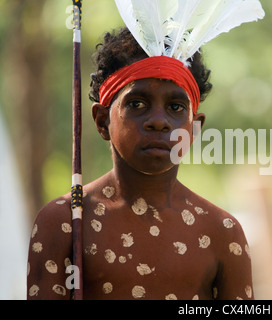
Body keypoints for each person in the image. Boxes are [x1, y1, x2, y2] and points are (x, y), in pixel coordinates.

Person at [26, 27, 253, 300]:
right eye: (136, 103)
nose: (159, 120)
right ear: (102, 121)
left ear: (193, 130)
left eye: (176, 107)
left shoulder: (221, 231)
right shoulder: (65, 221)